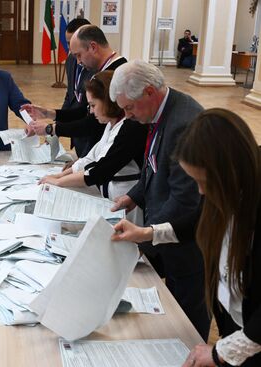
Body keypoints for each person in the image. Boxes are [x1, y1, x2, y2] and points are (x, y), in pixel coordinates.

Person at [111, 109, 261, 366]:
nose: (201, 192)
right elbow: (197, 221)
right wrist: (147, 233)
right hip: (236, 324)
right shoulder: (225, 186)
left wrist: (221, 352)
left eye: (205, 182)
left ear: (230, 170)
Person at [109, 59, 210, 340]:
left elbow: (185, 200)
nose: (127, 115)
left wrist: (146, 237)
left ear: (150, 92)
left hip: (187, 245)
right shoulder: (159, 113)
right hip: (163, 228)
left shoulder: (183, 124)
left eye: (129, 107)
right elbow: (153, 167)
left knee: (189, 315)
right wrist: (132, 196)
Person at [39, 70, 146, 224]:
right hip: (110, 189)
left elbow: (99, 170)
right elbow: (90, 158)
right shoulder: (111, 123)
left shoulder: (129, 127)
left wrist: (59, 182)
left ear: (109, 101)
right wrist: (58, 176)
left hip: (125, 197)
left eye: (93, 105)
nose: (91, 111)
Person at [23, 25, 127, 157]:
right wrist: (49, 113)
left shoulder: (117, 73)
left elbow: (93, 124)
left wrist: (51, 129)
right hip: (94, 153)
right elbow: (84, 111)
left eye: (79, 55)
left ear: (93, 47)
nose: (78, 62)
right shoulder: (100, 71)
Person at [61, 18, 92, 156]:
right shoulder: (71, 61)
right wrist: (58, 125)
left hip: (90, 137)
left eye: (72, 44)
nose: (70, 49)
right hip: (77, 136)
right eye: (68, 43)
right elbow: (70, 96)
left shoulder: (96, 68)